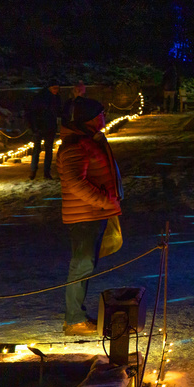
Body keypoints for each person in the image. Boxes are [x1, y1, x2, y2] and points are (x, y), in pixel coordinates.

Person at [57, 98, 122, 335]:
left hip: (91, 213)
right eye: (101, 114)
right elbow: (76, 183)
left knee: (86, 264)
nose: (104, 117)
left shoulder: (86, 141)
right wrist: (104, 200)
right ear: (89, 118)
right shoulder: (76, 146)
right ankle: (74, 319)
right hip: (84, 216)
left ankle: (76, 316)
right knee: (81, 265)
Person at [25, 85, 62, 179]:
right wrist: (34, 126)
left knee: (48, 150)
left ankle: (46, 172)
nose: (56, 90)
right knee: (37, 149)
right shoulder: (41, 98)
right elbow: (32, 112)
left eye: (57, 88)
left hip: (49, 127)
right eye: (54, 88)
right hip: (40, 126)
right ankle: (33, 171)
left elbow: (59, 111)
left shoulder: (55, 98)